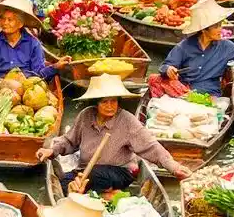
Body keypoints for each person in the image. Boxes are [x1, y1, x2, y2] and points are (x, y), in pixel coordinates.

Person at [37, 74, 191, 192]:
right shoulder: (86, 116)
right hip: (85, 170)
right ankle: (83, 189)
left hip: (118, 172)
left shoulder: (127, 120)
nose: (110, 106)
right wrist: (51, 150)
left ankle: (101, 192)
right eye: (105, 102)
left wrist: (174, 167)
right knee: (63, 183)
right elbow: (69, 141)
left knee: (95, 175)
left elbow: (150, 146)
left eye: (114, 101)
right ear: (95, 103)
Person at [161, 0, 234, 95]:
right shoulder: (184, 46)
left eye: (220, 25)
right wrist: (169, 69)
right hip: (183, 92)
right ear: (204, 29)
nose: (221, 30)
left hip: (210, 94)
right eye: (216, 26)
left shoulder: (226, 47)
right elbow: (166, 66)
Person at [0, 0, 66, 80]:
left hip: (25, 87)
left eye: (10, 20)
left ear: (20, 24)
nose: (5, 23)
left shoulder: (33, 44)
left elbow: (38, 74)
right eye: (3, 19)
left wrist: (55, 67)